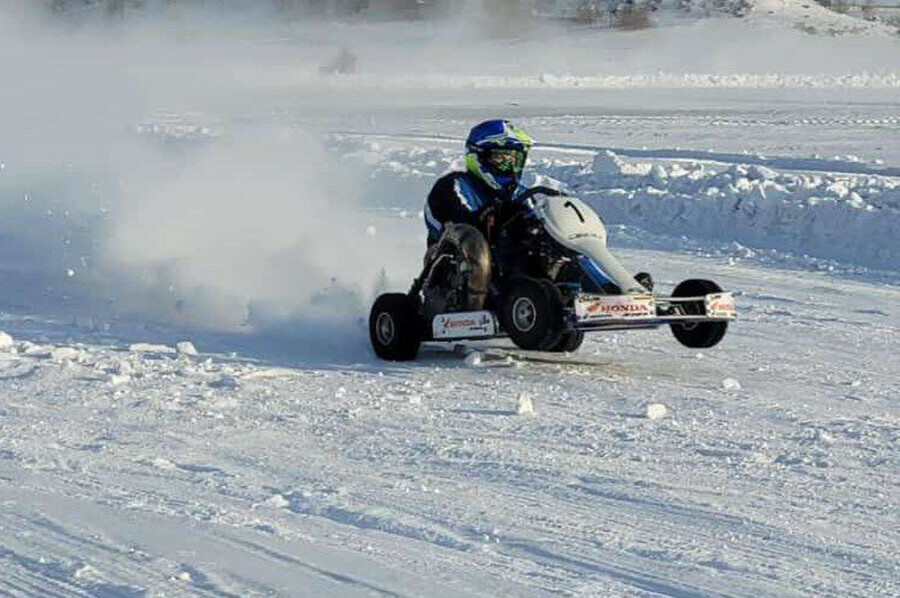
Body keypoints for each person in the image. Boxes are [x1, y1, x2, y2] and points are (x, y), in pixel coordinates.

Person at [421, 119, 535, 311]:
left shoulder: (520, 193)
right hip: (455, 270)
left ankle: (597, 287)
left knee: (550, 238)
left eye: (514, 161)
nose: (509, 167)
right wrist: (487, 216)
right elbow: (447, 221)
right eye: (502, 159)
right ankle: (473, 307)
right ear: (479, 157)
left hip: (511, 272)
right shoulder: (454, 185)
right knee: (472, 237)